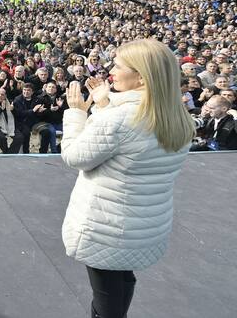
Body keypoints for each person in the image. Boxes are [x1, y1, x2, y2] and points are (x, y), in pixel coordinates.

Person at [61, 39, 195, 318]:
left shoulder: (119, 120)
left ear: (142, 78)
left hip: (107, 226)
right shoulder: (177, 115)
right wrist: (105, 105)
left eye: (118, 66)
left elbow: (75, 155)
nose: (110, 71)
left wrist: (76, 113)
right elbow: (128, 143)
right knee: (122, 281)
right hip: (143, 224)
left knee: (107, 297)